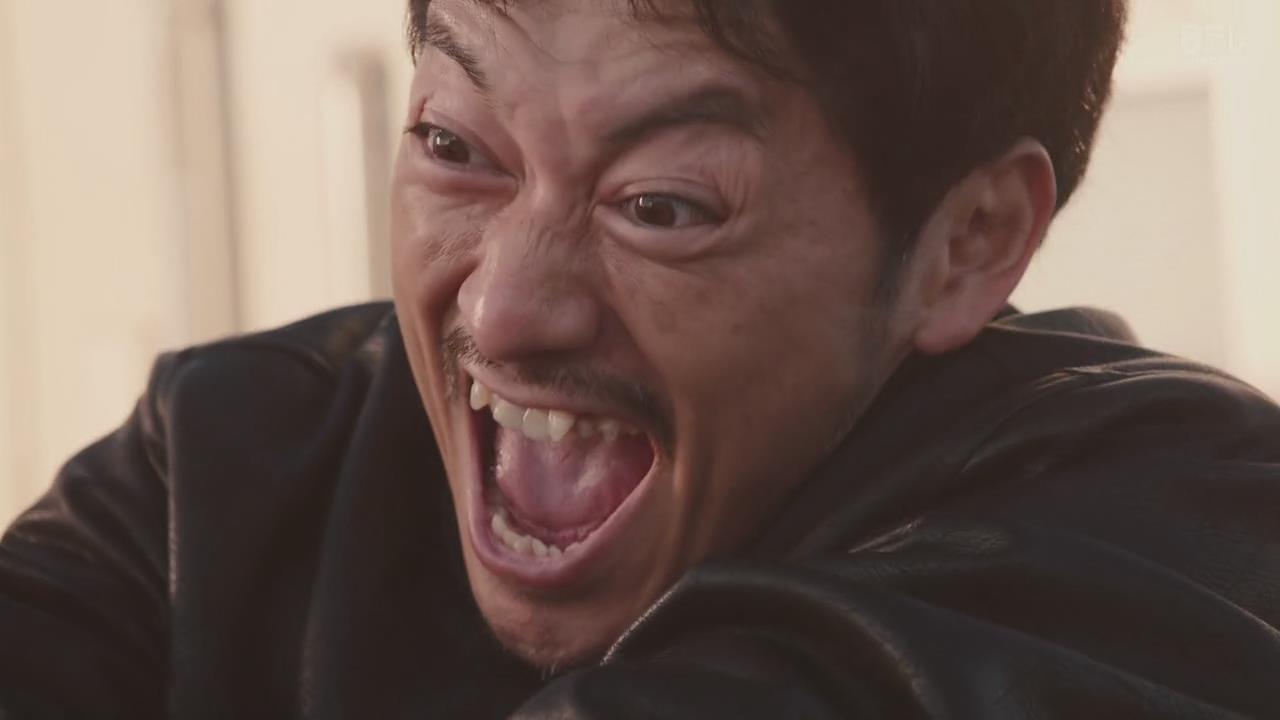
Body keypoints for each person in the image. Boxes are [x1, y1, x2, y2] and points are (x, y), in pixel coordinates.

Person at [3, 0, 1279, 716]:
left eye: (660, 205)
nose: (505, 310)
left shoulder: (1181, 540)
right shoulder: (226, 467)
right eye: (454, 146)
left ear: (967, 241)